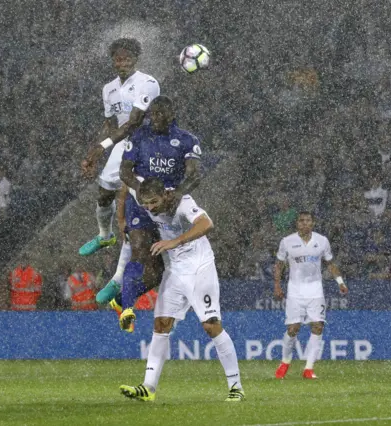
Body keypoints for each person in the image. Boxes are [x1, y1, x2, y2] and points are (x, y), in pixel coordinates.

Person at [119, 178, 244, 402]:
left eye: (154, 202)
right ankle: (148, 388)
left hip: (199, 267)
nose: (150, 208)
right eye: (145, 204)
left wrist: (175, 241)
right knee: (161, 325)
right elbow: (123, 180)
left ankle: (236, 387)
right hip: (175, 269)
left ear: (165, 195)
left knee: (211, 326)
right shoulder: (146, 198)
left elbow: (206, 223)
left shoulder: (182, 201)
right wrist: (121, 220)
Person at [109, 95, 202, 332]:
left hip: (169, 207)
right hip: (140, 204)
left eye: (161, 114)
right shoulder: (139, 137)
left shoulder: (187, 140)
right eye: (153, 114)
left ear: (171, 114)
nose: (156, 118)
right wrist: (142, 193)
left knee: (158, 271)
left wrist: (179, 193)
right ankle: (128, 309)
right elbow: (124, 171)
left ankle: (120, 299)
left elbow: (194, 174)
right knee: (139, 251)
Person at [78, 38, 160, 300]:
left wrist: (100, 148)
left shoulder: (148, 83)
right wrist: (97, 151)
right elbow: (111, 126)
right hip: (121, 144)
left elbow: (134, 122)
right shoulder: (108, 89)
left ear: (135, 59)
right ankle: (104, 235)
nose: (122, 62)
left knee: (133, 215)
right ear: (113, 61)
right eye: (118, 59)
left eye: (127, 58)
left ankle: (117, 279)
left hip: (146, 145)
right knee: (103, 193)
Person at [273, 212, 348, 380]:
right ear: (297, 223)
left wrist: (340, 282)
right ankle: (285, 362)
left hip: (315, 290)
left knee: (318, 326)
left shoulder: (322, 241)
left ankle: (308, 368)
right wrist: (277, 286)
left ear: (313, 223)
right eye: (301, 220)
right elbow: (278, 265)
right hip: (295, 290)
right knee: (293, 329)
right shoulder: (287, 242)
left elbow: (330, 263)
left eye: (308, 221)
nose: (305, 223)